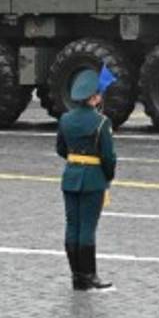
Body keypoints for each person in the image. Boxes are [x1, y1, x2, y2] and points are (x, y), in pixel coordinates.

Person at [56, 67, 117, 291]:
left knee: (72, 226)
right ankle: (90, 275)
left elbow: (61, 149)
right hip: (93, 179)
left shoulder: (65, 119)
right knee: (87, 228)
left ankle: (76, 276)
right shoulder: (102, 122)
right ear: (93, 97)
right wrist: (107, 176)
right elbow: (108, 156)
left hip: (70, 177)